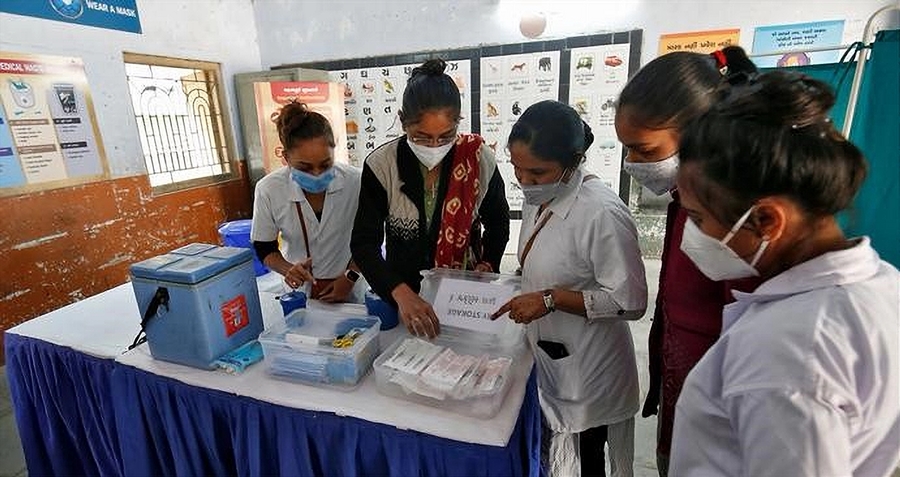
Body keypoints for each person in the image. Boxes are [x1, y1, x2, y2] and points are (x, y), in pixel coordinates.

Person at [670, 71, 900, 476]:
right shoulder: (882, 281)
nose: (695, 235)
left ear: (766, 220)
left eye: (699, 217)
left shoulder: (785, 350)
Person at [614, 46, 758, 475]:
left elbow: (749, 331)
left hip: (723, 415)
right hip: (685, 392)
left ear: (698, 132)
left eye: (643, 149)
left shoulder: (731, 216)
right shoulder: (685, 198)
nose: (633, 163)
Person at [492, 100, 647, 477]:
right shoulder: (540, 198)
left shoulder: (601, 213)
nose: (526, 183)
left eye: (537, 173)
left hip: (592, 369)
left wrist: (552, 299)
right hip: (550, 358)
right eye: (518, 171)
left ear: (574, 161)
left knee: (587, 458)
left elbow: (631, 302)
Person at [351, 59, 510, 337]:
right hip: (403, 292)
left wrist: (490, 262)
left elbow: (497, 221)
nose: (435, 147)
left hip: (463, 292)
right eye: (422, 137)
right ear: (402, 121)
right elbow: (364, 244)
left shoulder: (478, 159)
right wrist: (399, 292)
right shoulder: (382, 165)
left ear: (458, 124)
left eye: (446, 136)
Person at [251, 101, 364, 303]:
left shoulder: (356, 182)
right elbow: (264, 248)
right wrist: (288, 270)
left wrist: (350, 277)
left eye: (325, 164)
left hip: (351, 288)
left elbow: (370, 239)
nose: (317, 174)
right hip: (299, 293)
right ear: (285, 157)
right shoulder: (269, 189)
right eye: (304, 167)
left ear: (334, 151)